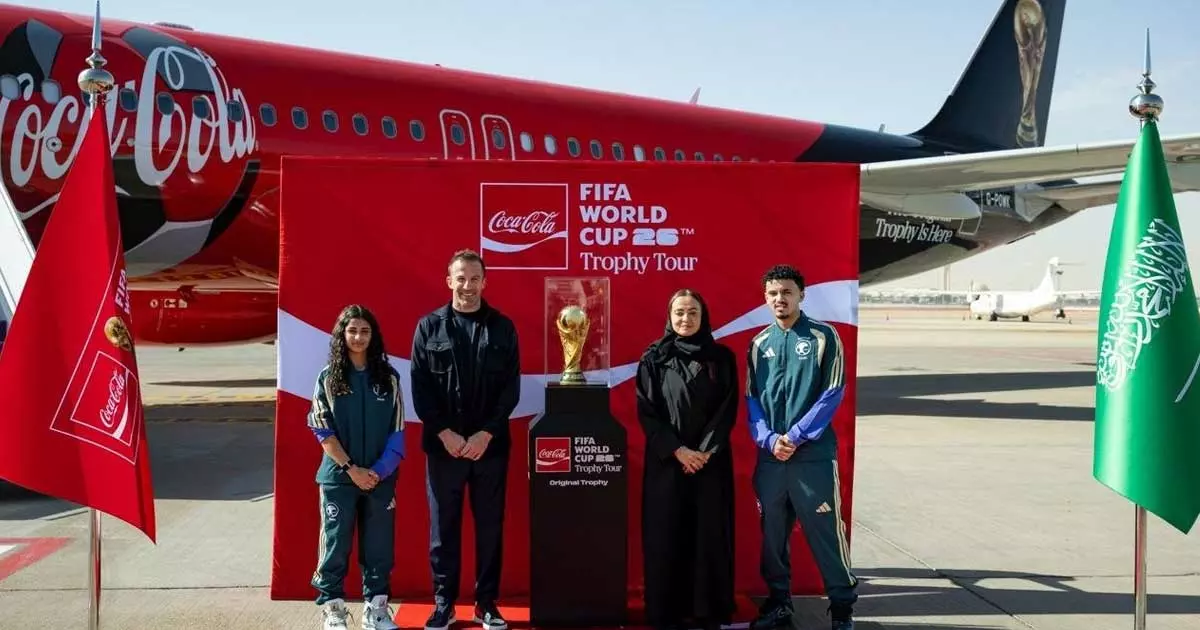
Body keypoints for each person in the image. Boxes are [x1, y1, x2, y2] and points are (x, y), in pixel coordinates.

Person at [410, 249, 521, 630]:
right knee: (443, 530)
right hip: (444, 448)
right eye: (461, 278)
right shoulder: (429, 327)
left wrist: (485, 434)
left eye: (475, 279)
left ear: (485, 282)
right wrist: (445, 433)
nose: (467, 286)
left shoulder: (503, 327)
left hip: (490, 448)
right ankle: (444, 603)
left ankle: (486, 603)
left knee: (490, 528)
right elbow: (421, 388)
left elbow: (510, 390)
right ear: (449, 281)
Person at [745, 265, 857, 630]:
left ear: (801, 295)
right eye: (773, 293)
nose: (780, 299)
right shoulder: (758, 344)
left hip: (812, 458)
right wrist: (768, 439)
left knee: (826, 534)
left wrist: (794, 436)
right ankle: (779, 603)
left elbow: (832, 392)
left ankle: (841, 609)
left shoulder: (825, 336)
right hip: (771, 460)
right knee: (773, 538)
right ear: (765, 298)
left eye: (787, 292)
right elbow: (752, 400)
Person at [635, 289, 739, 630]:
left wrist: (704, 452)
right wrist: (678, 451)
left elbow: (727, 409)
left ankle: (707, 610)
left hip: (710, 464)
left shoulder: (721, 358)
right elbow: (647, 411)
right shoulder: (653, 357)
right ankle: (668, 610)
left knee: (708, 536)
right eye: (679, 312)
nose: (685, 318)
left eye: (692, 312)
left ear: (703, 316)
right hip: (667, 463)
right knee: (666, 534)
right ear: (669, 316)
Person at [307, 304, 406, 630]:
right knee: (335, 545)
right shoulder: (328, 378)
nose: (359, 337)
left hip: (380, 478)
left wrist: (377, 472)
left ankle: (376, 609)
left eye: (365, 331)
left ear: (373, 335)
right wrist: (352, 469)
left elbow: (397, 431)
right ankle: (333, 609)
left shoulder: (388, 378)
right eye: (352, 331)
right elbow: (322, 430)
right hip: (339, 478)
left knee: (379, 547)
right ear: (342, 335)